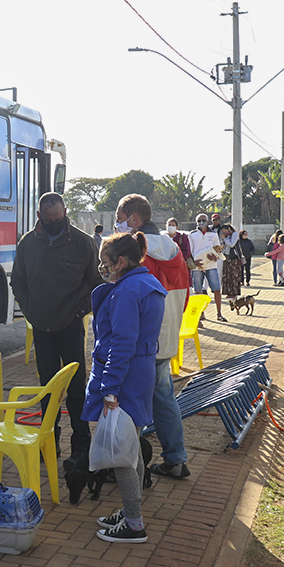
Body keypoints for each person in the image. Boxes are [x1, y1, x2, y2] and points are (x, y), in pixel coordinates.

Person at [11, 192, 102, 469]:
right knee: (47, 388)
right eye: (48, 219)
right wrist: (31, 312)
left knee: (76, 389)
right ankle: (48, 442)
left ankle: (81, 445)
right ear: (39, 217)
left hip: (71, 326)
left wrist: (78, 311)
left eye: (58, 218)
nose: (54, 223)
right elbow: (18, 282)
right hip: (42, 327)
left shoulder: (83, 243)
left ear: (65, 212)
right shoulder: (28, 243)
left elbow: (96, 285)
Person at [86, 232, 166, 543]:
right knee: (130, 447)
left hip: (125, 376)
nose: (102, 268)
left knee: (119, 452)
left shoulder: (126, 292)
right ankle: (131, 509)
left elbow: (121, 344)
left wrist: (109, 388)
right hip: (140, 371)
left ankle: (134, 523)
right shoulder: (147, 284)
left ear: (121, 262)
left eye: (105, 263)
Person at [116, 195, 191, 478]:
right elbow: (184, 296)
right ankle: (176, 458)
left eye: (121, 217)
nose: (118, 223)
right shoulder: (173, 248)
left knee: (131, 399)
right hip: (168, 336)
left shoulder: (138, 255)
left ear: (134, 219)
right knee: (164, 398)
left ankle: (128, 465)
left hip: (142, 341)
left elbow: (130, 303)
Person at [188, 213, 226, 321]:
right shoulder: (192, 235)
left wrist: (213, 257)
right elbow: (189, 252)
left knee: (216, 289)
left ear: (208, 222)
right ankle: (201, 314)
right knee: (198, 290)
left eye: (203, 220)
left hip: (211, 265)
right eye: (199, 221)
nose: (201, 222)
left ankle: (219, 314)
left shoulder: (213, 235)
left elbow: (218, 249)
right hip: (197, 266)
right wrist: (194, 262)